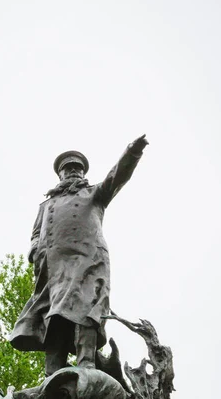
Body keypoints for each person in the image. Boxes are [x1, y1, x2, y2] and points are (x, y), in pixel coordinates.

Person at [9, 135, 148, 376]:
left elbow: (117, 177)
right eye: (68, 168)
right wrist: (34, 251)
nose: (73, 171)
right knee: (53, 315)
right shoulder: (46, 205)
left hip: (88, 260)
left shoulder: (95, 194)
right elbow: (35, 233)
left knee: (86, 308)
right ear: (60, 174)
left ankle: (86, 366)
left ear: (83, 173)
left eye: (77, 168)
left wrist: (132, 153)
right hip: (53, 268)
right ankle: (53, 372)